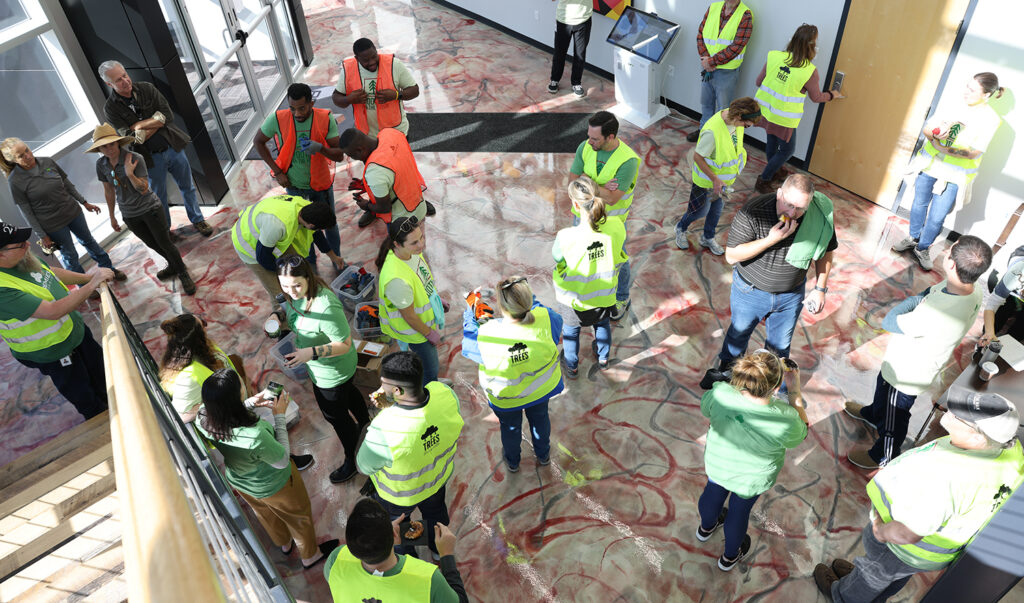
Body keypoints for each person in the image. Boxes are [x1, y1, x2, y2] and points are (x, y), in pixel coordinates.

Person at [814, 394, 1024, 602]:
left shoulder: (950, 480)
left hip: (903, 547)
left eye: (958, 415)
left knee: (873, 573)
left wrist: (880, 531)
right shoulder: (1009, 450)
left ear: (977, 437)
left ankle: (843, 595)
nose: (949, 410)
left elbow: (907, 534)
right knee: (891, 575)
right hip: (923, 556)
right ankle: (869, 589)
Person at [844, 236, 991, 469]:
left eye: (948, 251)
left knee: (896, 416)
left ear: (951, 264)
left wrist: (913, 301)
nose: (944, 252)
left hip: (908, 373)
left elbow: (891, 321)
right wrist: (918, 300)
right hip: (903, 360)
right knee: (883, 388)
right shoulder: (972, 291)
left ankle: (883, 454)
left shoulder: (938, 313)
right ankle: (873, 414)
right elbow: (927, 293)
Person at [702, 174, 837, 388]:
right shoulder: (753, 212)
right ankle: (726, 379)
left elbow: (826, 251)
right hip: (750, 292)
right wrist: (770, 240)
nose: (793, 213)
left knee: (779, 350)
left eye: (800, 208)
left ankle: (769, 391)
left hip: (790, 296)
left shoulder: (818, 215)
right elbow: (731, 256)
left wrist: (820, 288)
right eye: (789, 204)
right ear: (779, 194)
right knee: (737, 340)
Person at [197, 369, 338, 569]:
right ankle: (310, 555)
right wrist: (279, 415)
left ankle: (285, 544)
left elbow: (225, 412)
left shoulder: (203, 417)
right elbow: (281, 459)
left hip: (242, 482)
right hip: (275, 484)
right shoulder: (254, 435)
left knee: (266, 515)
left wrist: (251, 403)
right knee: (298, 516)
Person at [697, 350, 807, 571]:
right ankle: (729, 557)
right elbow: (801, 434)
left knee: (712, 492)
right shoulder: (786, 418)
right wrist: (794, 389)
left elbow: (705, 408)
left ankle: (705, 528)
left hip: (719, 464)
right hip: (751, 478)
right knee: (739, 512)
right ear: (776, 389)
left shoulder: (720, 393)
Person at [159, 312, 313, 468]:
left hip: (238, 407)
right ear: (196, 338)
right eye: (203, 325)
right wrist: (218, 403)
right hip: (231, 421)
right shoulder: (188, 377)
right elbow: (179, 416)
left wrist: (247, 401)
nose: (207, 326)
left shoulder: (203, 349)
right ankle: (287, 460)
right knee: (266, 448)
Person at [356, 352, 465, 560]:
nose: (381, 389)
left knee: (400, 527)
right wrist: (395, 405)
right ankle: (437, 549)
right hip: (437, 481)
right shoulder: (444, 392)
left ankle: (411, 558)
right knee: (436, 514)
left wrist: (385, 413)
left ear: (397, 390)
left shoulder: (384, 427)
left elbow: (364, 467)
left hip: (400, 496)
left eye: (383, 385)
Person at [0, 221, 113, 419]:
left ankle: (116, 402)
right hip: (53, 350)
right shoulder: (3, 288)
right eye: (19, 245)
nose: (28, 245)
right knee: (82, 391)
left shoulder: (19, 257)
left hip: (74, 331)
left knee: (102, 373)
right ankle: (102, 420)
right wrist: (92, 285)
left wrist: (86, 278)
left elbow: (49, 273)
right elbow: (51, 311)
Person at [892, 73, 1004, 271]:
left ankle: (923, 248)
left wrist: (944, 148)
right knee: (919, 203)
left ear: (986, 95)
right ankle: (913, 237)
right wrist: (935, 134)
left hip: (955, 173)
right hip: (930, 164)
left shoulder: (991, 120)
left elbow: (974, 152)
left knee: (937, 216)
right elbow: (927, 129)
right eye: (967, 86)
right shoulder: (953, 104)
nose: (966, 92)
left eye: (972, 90)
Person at [276, 256, 370, 484]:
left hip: (331, 371)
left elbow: (344, 343)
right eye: (285, 286)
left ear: (308, 278)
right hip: (328, 369)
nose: (292, 291)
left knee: (335, 416)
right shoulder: (293, 296)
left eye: (297, 285)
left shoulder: (325, 306)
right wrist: (276, 315)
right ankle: (365, 420)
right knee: (347, 393)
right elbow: (287, 305)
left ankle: (352, 458)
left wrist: (310, 353)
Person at [461, 276, 564, 472]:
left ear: (501, 305)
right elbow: (553, 329)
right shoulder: (546, 317)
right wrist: (528, 299)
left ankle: (513, 461)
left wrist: (472, 307)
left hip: (507, 398)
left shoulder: (487, 333)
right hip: (541, 390)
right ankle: (543, 455)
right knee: (540, 420)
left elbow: (470, 344)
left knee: (510, 428)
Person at [99, 60, 212, 237]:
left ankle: (198, 219)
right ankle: (166, 230)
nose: (125, 81)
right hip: (149, 158)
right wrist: (155, 122)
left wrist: (139, 125)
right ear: (109, 84)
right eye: (118, 80)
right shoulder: (110, 108)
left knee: (188, 187)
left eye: (125, 75)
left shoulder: (146, 88)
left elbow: (167, 116)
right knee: (159, 196)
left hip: (172, 147)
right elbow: (132, 139)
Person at [89, 123, 196, 296]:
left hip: (150, 209)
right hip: (129, 214)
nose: (108, 149)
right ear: (99, 149)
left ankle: (182, 271)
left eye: (111, 144)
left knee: (165, 243)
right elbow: (108, 190)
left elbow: (144, 188)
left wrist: (130, 174)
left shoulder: (134, 157)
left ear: (118, 142)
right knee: (151, 243)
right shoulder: (101, 164)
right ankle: (174, 265)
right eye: (103, 146)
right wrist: (112, 216)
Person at [1, 138, 125, 281]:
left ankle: (110, 270)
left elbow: (67, 184)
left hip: (73, 212)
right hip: (53, 225)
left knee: (89, 241)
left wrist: (84, 202)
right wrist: (42, 235)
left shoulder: (47, 162)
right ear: (13, 160)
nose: (28, 156)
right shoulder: (15, 181)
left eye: (27, 150)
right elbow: (26, 212)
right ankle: (84, 285)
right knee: (70, 255)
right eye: (21, 156)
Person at [253, 83, 343, 265]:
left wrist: (320, 148)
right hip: (294, 185)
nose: (297, 114)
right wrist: (278, 172)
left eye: (302, 108)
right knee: (302, 227)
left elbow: (339, 155)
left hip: (321, 185)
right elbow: (258, 141)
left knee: (329, 224)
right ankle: (309, 263)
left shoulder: (325, 118)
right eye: (292, 108)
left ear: (312, 103)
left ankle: (337, 258)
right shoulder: (277, 119)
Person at [753, 24, 843, 194]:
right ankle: (764, 178)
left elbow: (759, 82)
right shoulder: (809, 71)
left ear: (792, 40)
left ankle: (775, 170)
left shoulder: (774, 56)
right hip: (784, 118)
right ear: (812, 47)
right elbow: (816, 97)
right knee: (787, 150)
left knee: (772, 142)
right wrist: (832, 94)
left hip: (765, 111)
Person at [324, 497, 468, 602]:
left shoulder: (335, 560)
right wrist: (447, 555)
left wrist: (379, 534)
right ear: (394, 534)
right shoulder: (428, 578)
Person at [553, 176, 626, 377]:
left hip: (574, 299)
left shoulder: (566, 237)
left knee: (571, 332)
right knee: (602, 325)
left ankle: (572, 365)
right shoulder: (617, 225)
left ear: (576, 204)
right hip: (604, 295)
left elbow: (557, 257)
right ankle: (603, 359)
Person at [569, 111, 639, 320]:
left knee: (618, 260)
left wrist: (587, 180)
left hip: (611, 222)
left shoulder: (628, 161)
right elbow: (573, 181)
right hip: (582, 216)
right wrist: (598, 186)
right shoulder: (585, 146)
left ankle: (622, 297)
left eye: (595, 138)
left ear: (611, 136)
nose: (589, 141)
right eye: (589, 135)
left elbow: (613, 198)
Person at [676, 97, 760, 254]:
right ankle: (681, 227)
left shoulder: (735, 121)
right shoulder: (712, 131)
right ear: (738, 117)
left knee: (716, 211)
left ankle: (707, 237)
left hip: (723, 182)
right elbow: (697, 157)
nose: (747, 128)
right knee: (699, 211)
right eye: (747, 125)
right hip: (707, 181)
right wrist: (715, 179)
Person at [231, 194, 346, 304]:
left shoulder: (306, 208)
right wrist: (285, 276)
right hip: (247, 243)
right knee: (281, 295)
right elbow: (263, 258)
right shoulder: (277, 226)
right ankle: (285, 320)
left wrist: (334, 257)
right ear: (311, 226)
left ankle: (309, 303)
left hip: (267, 235)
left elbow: (317, 236)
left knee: (299, 270)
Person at [376, 217, 448, 386]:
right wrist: (429, 333)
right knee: (430, 369)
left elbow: (420, 279)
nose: (421, 244)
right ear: (397, 244)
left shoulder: (410, 253)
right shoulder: (396, 279)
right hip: (416, 332)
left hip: (422, 325)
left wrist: (435, 298)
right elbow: (409, 316)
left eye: (421, 237)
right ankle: (430, 393)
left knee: (428, 365)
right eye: (414, 242)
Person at [685, 0, 754, 143]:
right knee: (706, 103)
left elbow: (737, 46)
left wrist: (711, 62)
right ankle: (704, 132)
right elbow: (700, 34)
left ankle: (716, 139)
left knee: (724, 109)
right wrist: (705, 59)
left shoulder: (745, 14)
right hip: (707, 67)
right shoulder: (713, 7)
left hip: (726, 72)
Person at [336, 127, 432, 229]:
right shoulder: (389, 133)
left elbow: (384, 208)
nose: (351, 159)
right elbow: (396, 172)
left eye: (351, 155)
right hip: (419, 205)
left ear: (360, 150)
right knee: (419, 241)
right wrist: (371, 185)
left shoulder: (375, 172)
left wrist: (366, 205)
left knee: (408, 244)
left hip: (403, 222)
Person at [332, 38, 419, 137]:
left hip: (396, 132)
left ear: (376, 51)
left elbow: (415, 90)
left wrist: (396, 95)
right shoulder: (348, 69)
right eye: (366, 60)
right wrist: (348, 99)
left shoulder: (394, 64)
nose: (372, 62)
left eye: (374, 56)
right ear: (357, 58)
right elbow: (336, 97)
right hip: (366, 137)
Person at [547, 0, 593, 99]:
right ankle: (554, 79)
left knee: (580, 54)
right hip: (564, 19)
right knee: (560, 52)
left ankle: (576, 83)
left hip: (584, 19)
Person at [979, 245, 1024, 347]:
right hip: (1006, 283)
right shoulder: (1018, 272)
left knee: (1019, 330)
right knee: (1002, 312)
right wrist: (989, 333)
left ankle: (1012, 344)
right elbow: (993, 304)